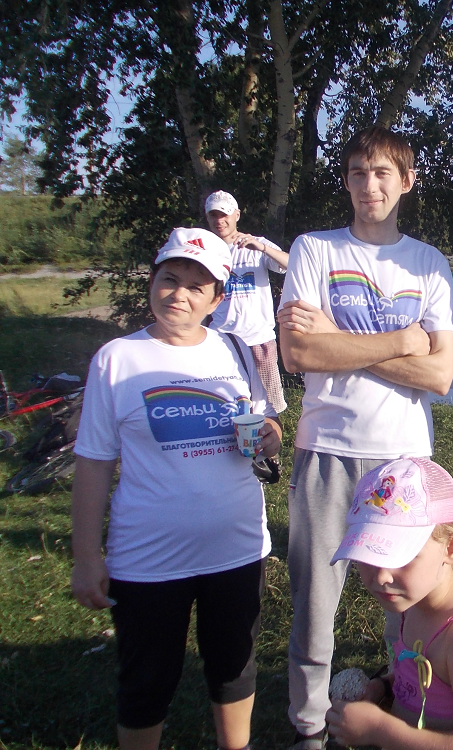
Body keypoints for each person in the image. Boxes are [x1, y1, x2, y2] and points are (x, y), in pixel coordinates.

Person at [276, 126, 453, 750]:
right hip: (327, 448)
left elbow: (439, 375)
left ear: (406, 182)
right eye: (358, 172)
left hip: (402, 458)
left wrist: (337, 336)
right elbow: (299, 353)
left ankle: (405, 714)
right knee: (314, 604)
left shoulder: (427, 263)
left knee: (406, 602)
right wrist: (402, 340)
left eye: (382, 173)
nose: (369, 185)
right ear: (347, 180)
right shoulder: (313, 250)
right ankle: (309, 729)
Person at [70, 227, 282, 750]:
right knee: (147, 680)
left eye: (195, 286)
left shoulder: (235, 351)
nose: (178, 294)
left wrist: (266, 436)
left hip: (236, 548)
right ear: (152, 281)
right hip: (147, 557)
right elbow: (94, 463)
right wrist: (86, 556)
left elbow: (267, 425)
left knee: (234, 668)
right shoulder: (117, 359)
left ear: (216, 299)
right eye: (170, 279)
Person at [325, 458, 453, 750]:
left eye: (401, 557)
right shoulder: (415, 605)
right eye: (368, 555)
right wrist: (383, 687)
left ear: (451, 548)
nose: (381, 576)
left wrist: (380, 730)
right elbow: (420, 683)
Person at [205, 190, 290, 413]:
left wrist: (263, 248)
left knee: (269, 409)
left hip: (259, 340)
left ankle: (271, 436)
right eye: (213, 215)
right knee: (227, 406)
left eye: (224, 214)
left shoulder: (257, 244)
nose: (219, 220)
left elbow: (292, 265)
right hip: (222, 341)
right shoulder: (205, 251)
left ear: (237, 215)